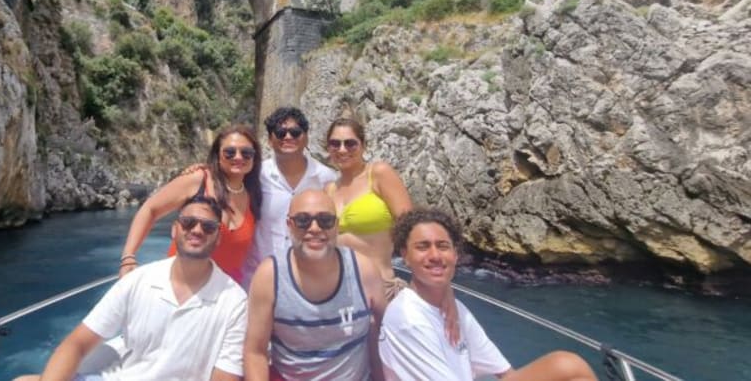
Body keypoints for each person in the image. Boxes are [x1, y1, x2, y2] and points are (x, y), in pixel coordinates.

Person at [16, 196, 247, 381]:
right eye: (188, 222)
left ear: (218, 239)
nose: (197, 230)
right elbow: (77, 343)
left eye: (208, 227)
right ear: (175, 230)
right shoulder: (139, 280)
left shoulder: (234, 301)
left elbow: (224, 376)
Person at [380, 208, 599, 381]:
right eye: (423, 247)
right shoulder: (407, 320)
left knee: (569, 367)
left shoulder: (455, 310)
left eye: (443, 246)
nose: (435, 255)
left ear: (455, 255)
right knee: (567, 367)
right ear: (404, 256)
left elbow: (507, 374)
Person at [244, 190, 386, 381]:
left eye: (325, 220)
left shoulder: (363, 271)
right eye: (303, 220)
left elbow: (384, 336)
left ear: (336, 225)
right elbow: (255, 351)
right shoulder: (269, 276)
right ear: (290, 225)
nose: (315, 228)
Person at [119, 125, 262, 283]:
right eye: (229, 152)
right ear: (218, 155)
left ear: (254, 158)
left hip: (225, 294)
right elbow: (150, 209)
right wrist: (128, 256)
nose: (238, 157)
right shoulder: (199, 180)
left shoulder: (254, 194)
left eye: (246, 153)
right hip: (180, 286)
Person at [240, 107, 338, 287]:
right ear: (270, 139)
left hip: (306, 280)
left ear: (306, 137)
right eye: (280, 132)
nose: (288, 137)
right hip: (258, 278)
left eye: (295, 132)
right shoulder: (255, 175)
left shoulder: (326, 178)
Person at [324, 117, 412, 301]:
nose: (342, 149)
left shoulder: (379, 174)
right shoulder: (329, 190)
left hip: (380, 289)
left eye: (350, 144)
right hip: (339, 292)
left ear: (363, 145)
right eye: (335, 144)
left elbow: (413, 230)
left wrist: (435, 289)